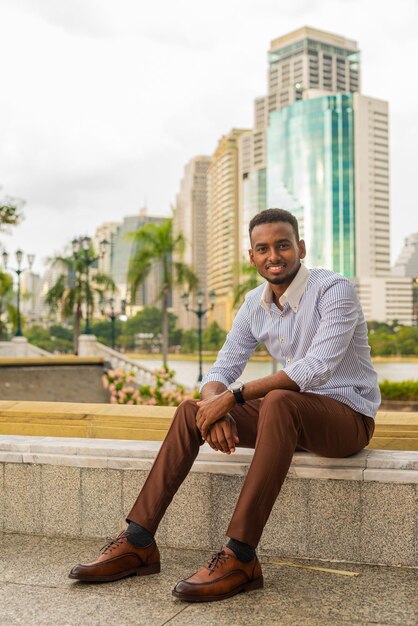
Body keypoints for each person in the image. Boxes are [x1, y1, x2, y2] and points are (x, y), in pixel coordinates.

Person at [69, 208, 380, 602]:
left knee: (279, 401)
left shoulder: (335, 290)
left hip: (347, 418)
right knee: (189, 411)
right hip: (287, 418)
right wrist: (212, 407)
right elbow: (221, 367)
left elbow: (315, 369)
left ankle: (241, 556)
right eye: (263, 248)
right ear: (252, 257)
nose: (274, 256)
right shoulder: (254, 303)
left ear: (300, 248)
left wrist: (230, 400)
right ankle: (139, 542)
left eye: (283, 245)